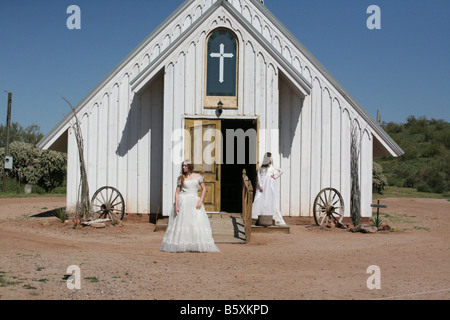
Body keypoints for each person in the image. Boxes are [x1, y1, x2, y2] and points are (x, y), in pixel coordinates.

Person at [161, 160, 220, 253]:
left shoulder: (198, 177)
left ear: (190, 166)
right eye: (183, 166)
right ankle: (181, 244)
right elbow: (177, 192)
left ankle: (195, 244)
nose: (184, 167)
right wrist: (176, 205)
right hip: (183, 201)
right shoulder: (181, 178)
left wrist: (201, 201)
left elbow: (204, 189)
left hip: (194, 201)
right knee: (182, 223)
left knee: (195, 222)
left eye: (185, 166)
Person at [251, 152, 286, 225]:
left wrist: (275, 176)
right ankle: (257, 215)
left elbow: (281, 171)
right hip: (263, 183)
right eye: (270, 157)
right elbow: (259, 176)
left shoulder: (273, 166)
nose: (271, 158)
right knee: (260, 197)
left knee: (270, 198)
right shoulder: (262, 167)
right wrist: (260, 185)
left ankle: (270, 215)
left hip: (271, 184)